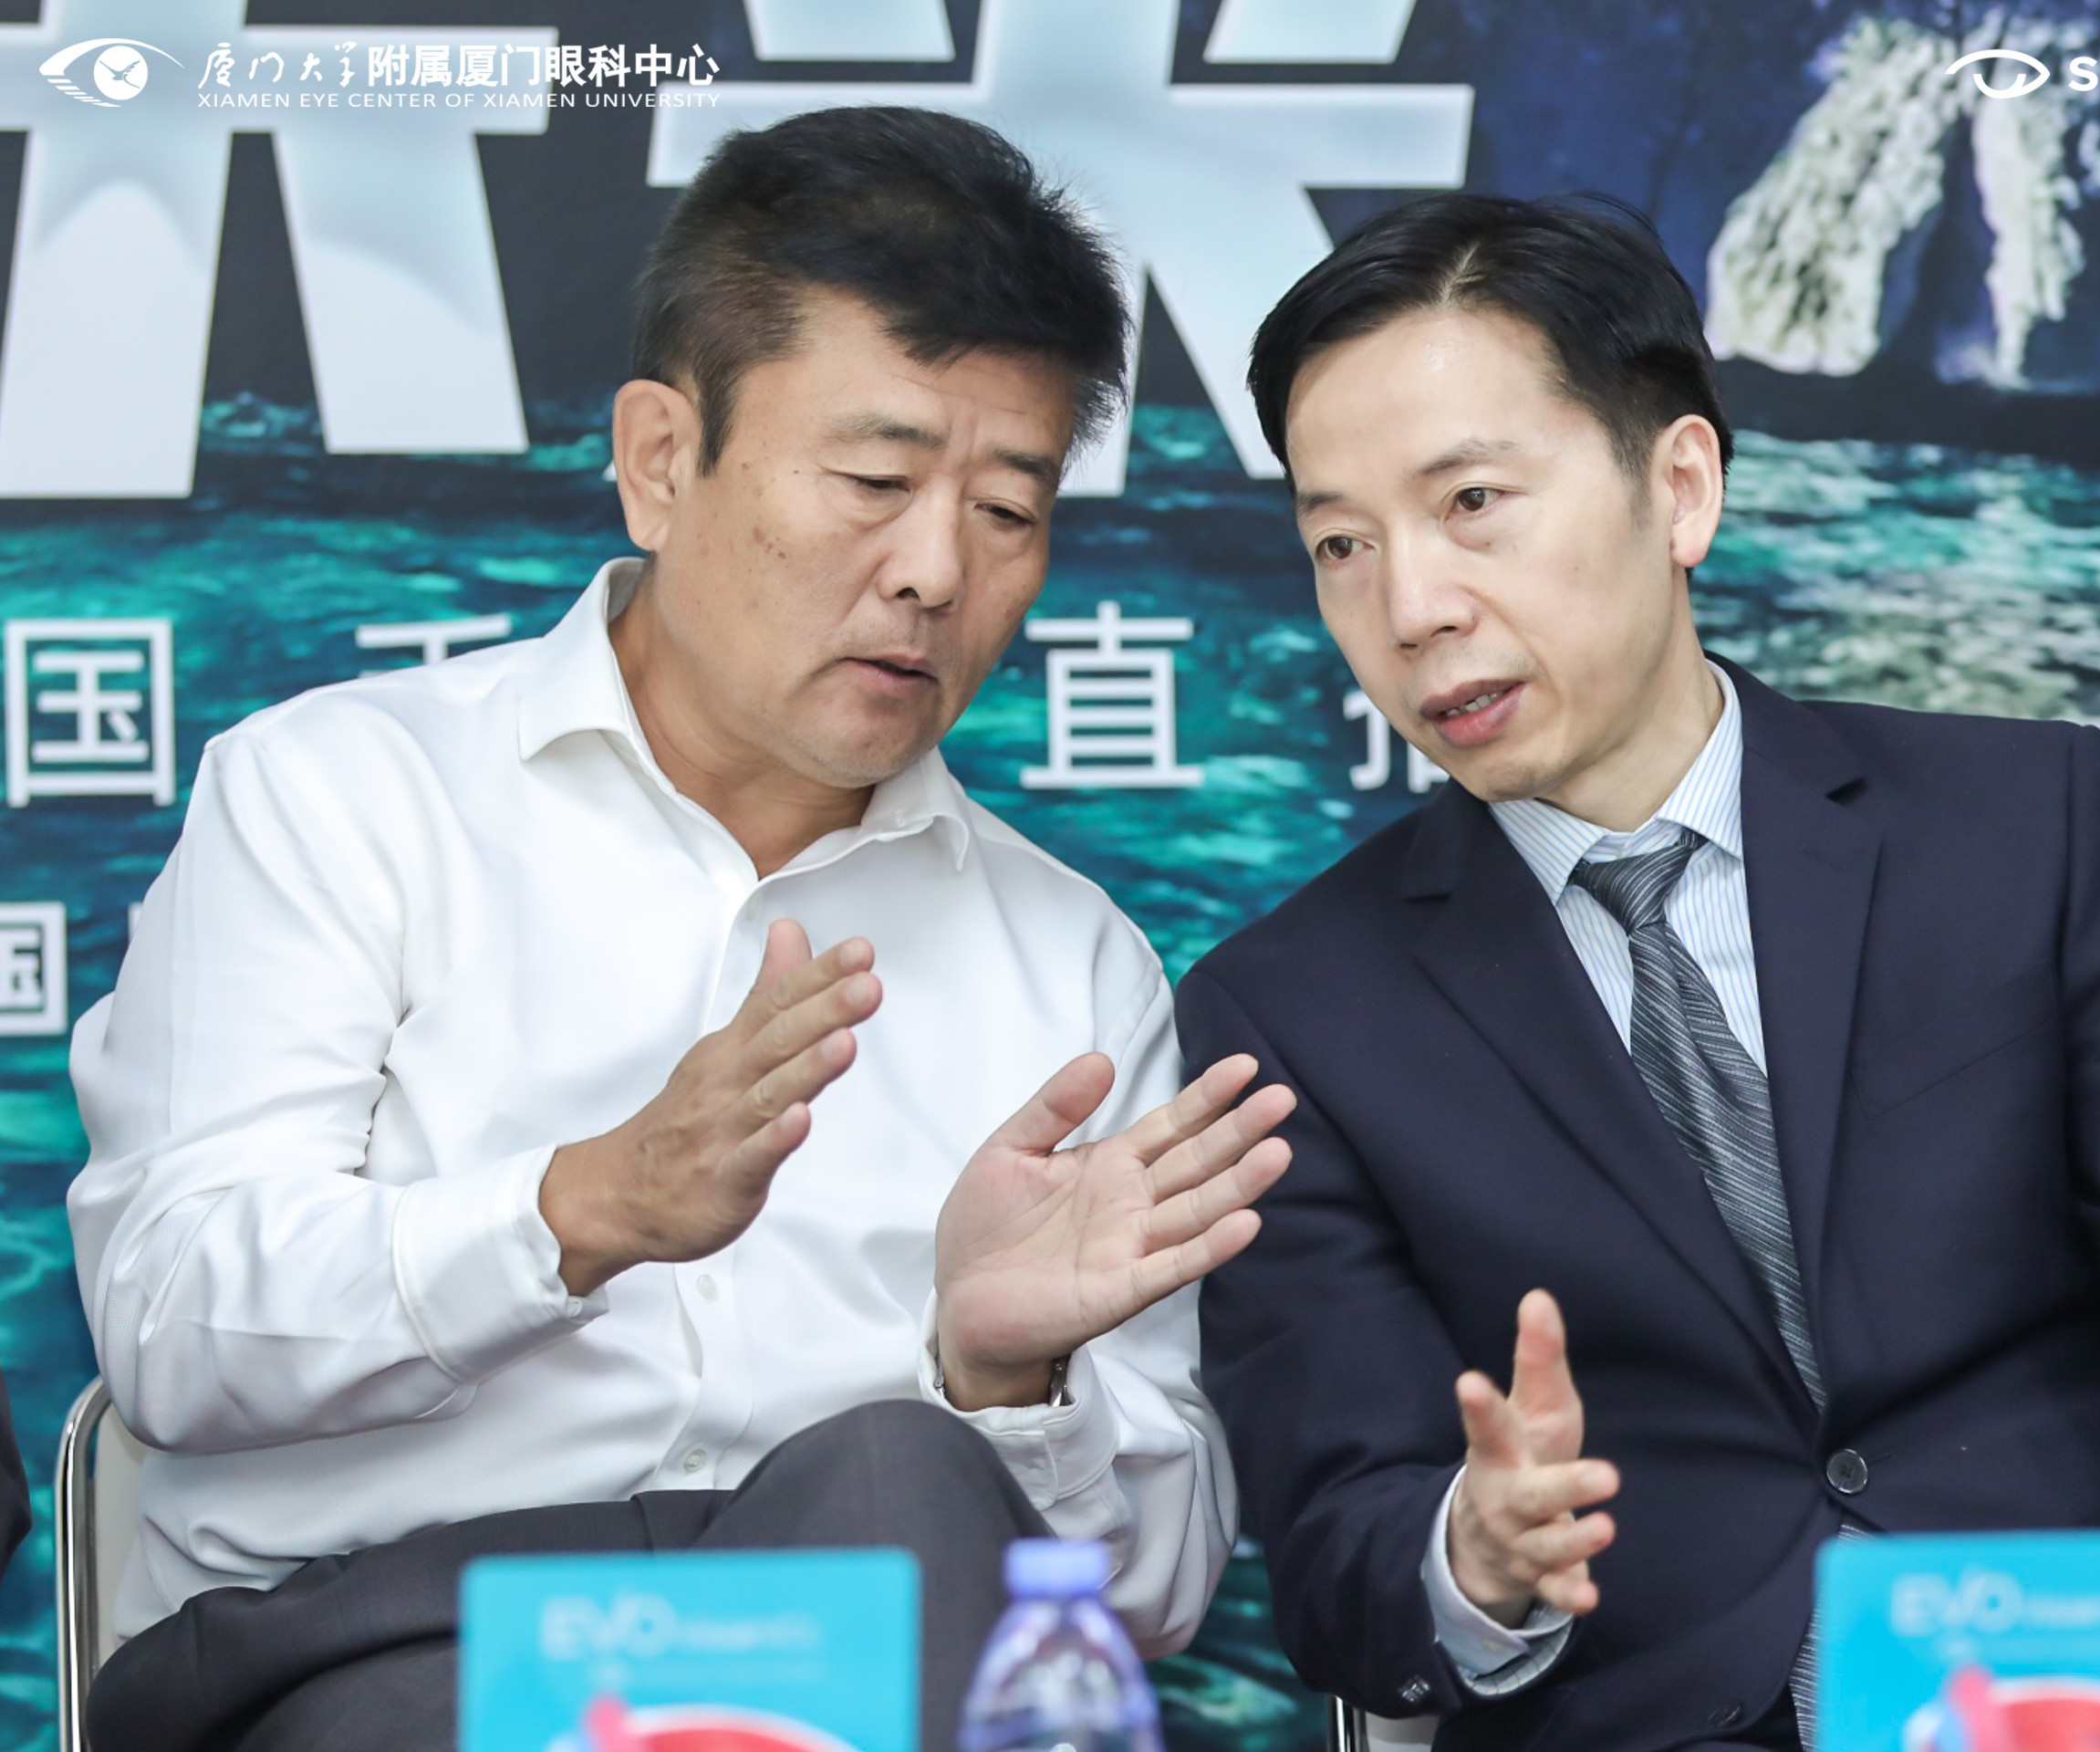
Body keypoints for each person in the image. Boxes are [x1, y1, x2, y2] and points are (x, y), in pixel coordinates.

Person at [68, 108, 1292, 1752]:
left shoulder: (1069, 964)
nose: (935, 571)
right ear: (660, 460)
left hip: (868, 1642)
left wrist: (1005, 1383)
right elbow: (171, 1325)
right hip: (401, 1645)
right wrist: (582, 1208)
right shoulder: (341, 796)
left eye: (1008, 511)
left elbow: (1149, 1601)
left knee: (903, 1468)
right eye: (874, 481)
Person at [1176, 194, 2100, 1752]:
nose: (1412, 608)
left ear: (1681, 487)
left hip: (2093, 1693)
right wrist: (1475, 1560)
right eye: (1342, 545)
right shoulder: (1292, 1008)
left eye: (1474, 503)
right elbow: (1338, 1552)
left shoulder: (2020, 824)